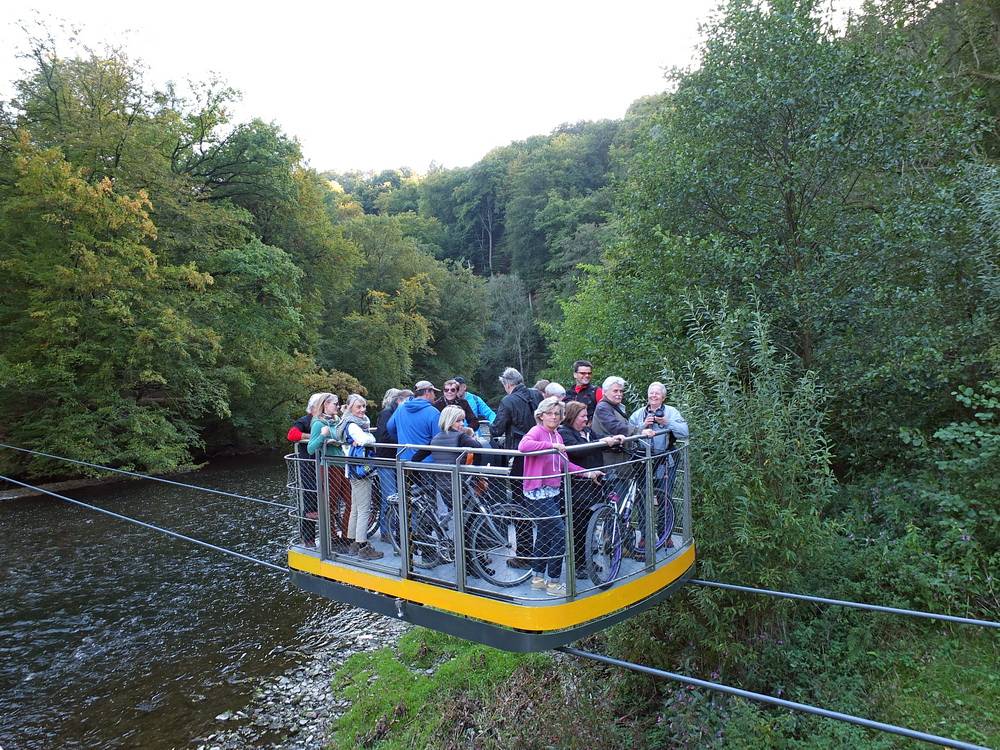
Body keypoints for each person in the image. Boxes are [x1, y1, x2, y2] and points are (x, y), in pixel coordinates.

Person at [519, 397, 602, 596]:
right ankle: (554, 583)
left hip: (553, 490)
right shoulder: (537, 431)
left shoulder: (557, 435)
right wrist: (549, 447)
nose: (554, 417)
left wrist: (587, 473)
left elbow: (564, 463)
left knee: (546, 535)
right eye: (550, 413)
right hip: (537, 493)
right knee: (559, 534)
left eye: (558, 414)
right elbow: (523, 446)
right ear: (541, 415)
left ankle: (538, 578)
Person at [559, 401, 624, 578]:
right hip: (577, 488)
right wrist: (601, 442)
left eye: (586, 415)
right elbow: (579, 452)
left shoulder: (587, 431)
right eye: (582, 416)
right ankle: (578, 565)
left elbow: (599, 442)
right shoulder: (565, 433)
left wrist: (615, 440)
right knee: (577, 528)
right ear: (572, 417)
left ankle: (587, 561)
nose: (586, 419)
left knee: (588, 526)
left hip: (594, 486)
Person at [491, 367, 543, 569]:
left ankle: (524, 555)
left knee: (520, 505)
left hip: (521, 457)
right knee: (542, 504)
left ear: (507, 384)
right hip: (543, 454)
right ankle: (543, 551)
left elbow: (496, 428)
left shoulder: (508, 401)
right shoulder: (537, 395)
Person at [628, 381, 689, 553]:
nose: (653, 396)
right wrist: (642, 426)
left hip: (665, 462)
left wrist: (667, 422)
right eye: (651, 393)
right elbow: (628, 435)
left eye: (657, 393)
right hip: (642, 462)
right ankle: (645, 536)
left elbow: (684, 432)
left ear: (663, 397)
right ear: (647, 395)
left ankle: (665, 534)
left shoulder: (671, 412)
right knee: (642, 500)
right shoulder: (638, 414)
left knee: (665, 498)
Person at [335, 394, 383, 560]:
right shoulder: (353, 425)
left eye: (363, 406)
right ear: (349, 408)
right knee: (364, 509)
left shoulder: (348, 423)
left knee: (356, 508)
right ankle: (363, 546)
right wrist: (370, 438)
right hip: (361, 471)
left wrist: (365, 439)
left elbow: (362, 441)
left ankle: (353, 542)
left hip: (353, 470)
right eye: (358, 407)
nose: (362, 410)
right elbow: (365, 440)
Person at [306, 392, 352, 548]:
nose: (337, 406)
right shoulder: (318, 423)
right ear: (325, 405)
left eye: (338, 403)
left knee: (351, 502)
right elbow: (311, 448)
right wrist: (323, 436)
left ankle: (346, 535)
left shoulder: (338, 421)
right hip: (328, 467)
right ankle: (331, 537)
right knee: (330, 505)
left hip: (341, 465)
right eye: (335, 403)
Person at [374, 388, 411, 542]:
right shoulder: (386, 414)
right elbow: (383, 437)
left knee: (397, 495)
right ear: (397, 400)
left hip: (395, 460)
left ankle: (395, 528)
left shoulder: (397, 413)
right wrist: (402, 440)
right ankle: (386, 531)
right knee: (389, 496)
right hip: (386, 460)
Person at [287, 392, 324, 546]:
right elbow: (292, 435)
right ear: (315, 407)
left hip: (323, 465)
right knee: (310, 504)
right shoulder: (305, 420)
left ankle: (330, 536)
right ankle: (308, 539)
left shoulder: (325, 420)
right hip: (308, 466)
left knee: (326, 501)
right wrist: (312, 436)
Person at [387, 381, 441, 461]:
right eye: (433, 392)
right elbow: (438, 439)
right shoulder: (433, 412)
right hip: (426, 464)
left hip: (403, 461)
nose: (435, 396)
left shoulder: (401, 408)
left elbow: (390, 427)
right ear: (427, 392)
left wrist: (402, 440)